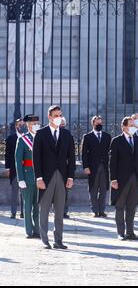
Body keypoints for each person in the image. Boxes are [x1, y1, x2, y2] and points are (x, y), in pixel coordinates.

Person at [33, 105, 76, 249]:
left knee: (59, 211)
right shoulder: (41, 134)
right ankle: (44, 239)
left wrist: (70, 177)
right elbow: (36, 158)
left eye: (60, 115)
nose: (59, 118)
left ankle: (58, 240)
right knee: (44, 209)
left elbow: (71, 157)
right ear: (49, 117)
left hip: (62, 177)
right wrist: (38, 177)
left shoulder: (67, 135)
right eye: (56, 115)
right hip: (45, 177)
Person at [109, 117, 138, 241]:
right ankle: (121, 233)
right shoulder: (116, 141)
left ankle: (130, 232)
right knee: (120, 206)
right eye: (130, 125)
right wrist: (113, 179)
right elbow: (112, 162)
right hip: (121, 180)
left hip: (135, 179)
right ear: (124, 127)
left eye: (134, 125)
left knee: (131, 207)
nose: (133, 127)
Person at [15, 114, 40, 238]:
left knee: (38, 206)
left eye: (37, 123)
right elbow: (18, 160)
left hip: (40, 178)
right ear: (28, 125)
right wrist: (20, 179)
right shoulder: (22, 139)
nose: (35, 125)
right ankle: (29, 231)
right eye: (33, 123)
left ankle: (38, 230)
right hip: (27, 176)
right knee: (28, 205)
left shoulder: (42, 138)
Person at [82, 116, 111, 218]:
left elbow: (110, 152)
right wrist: (85, 166)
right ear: (93, 123)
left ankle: (102, 210)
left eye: (101, 122)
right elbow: (84, 153)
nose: (100, 124)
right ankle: (95, 210)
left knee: (104, 189)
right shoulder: (87, 137)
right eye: (97, 122)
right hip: (92, 167)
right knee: (93, 189)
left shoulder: (107, 136)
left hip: (104, 167)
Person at [5, 118, 24, 219]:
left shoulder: (28, 138)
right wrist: (8, 168)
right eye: (20, 125)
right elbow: (7, 155)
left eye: (23, 125)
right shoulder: (10, 138)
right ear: (16, 126)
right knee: (14, 192)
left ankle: (23, 212)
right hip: (14, 169)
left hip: (25, 170)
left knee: (24, 193)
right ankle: (13, 212)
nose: (21, 127)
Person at [60, 117, 73, 219]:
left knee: (65, 192)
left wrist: (71, 174)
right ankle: (57, 210)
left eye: (63, 124)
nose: (62, 126)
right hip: (52, 170)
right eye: (61, 124)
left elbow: (71, 156)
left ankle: (64, 211)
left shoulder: (68, 135)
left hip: (64, 169)